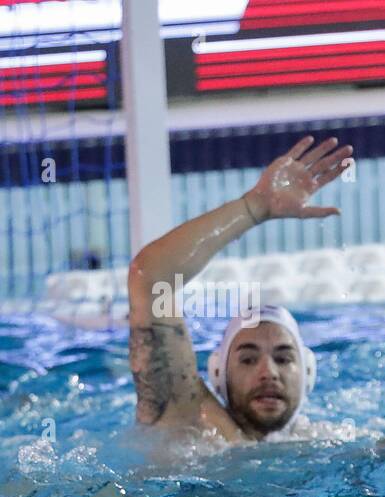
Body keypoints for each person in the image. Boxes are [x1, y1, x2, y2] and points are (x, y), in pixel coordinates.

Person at [127, 136, 352, 442]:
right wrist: (255, 207)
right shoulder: (189, 421)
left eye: (284, 358)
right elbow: (152, 277)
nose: (268, 372)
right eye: (247, 359)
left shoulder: (332, 443)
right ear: (219, 374)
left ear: (308, 374)